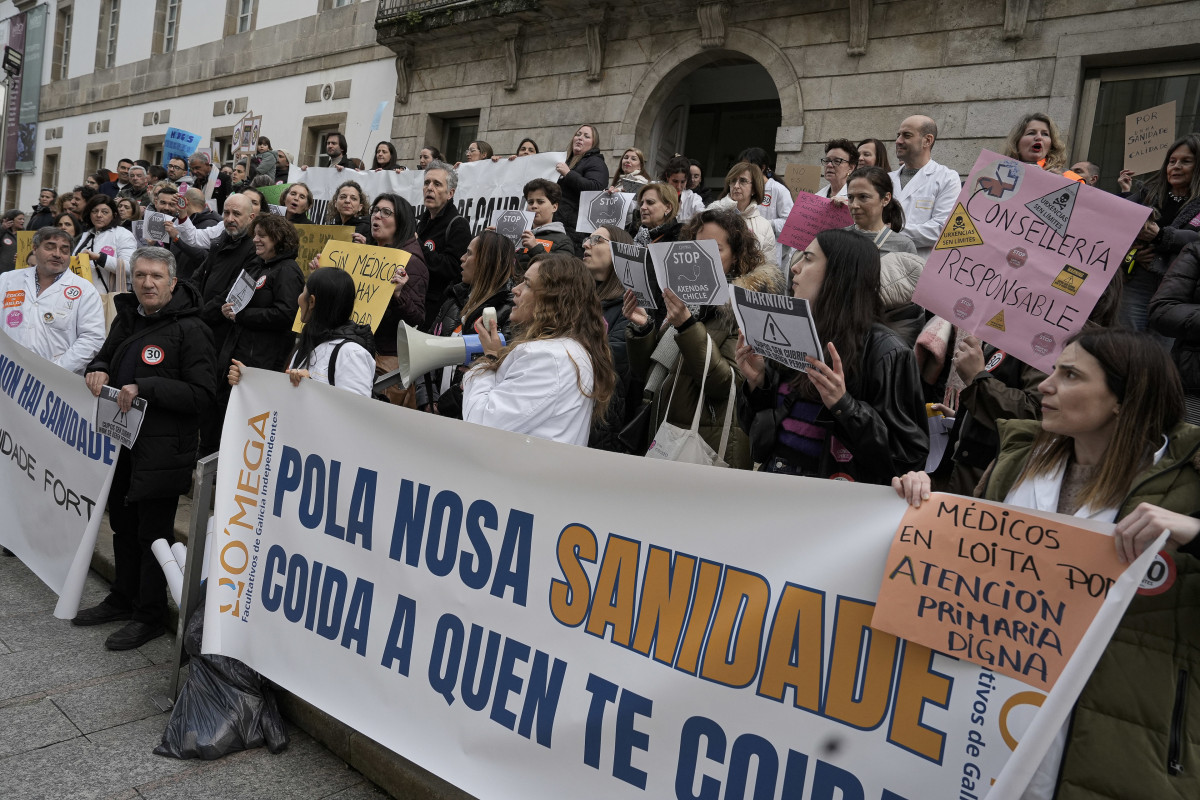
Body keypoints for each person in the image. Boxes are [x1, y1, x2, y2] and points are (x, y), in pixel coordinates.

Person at [893, 328, 1200, 800]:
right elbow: (966, 572)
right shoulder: (1018, 462)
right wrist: (921, 505)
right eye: (1054, 369)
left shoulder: (1186, 487)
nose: (1045, 385)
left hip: (1118, 747)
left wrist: (1196, 533)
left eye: (1070, 375)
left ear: (1124, 398)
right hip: (985, 730)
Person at [76, 246, 216, 651]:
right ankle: (123, 597)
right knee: (121, 524)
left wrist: (146, 389)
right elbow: (104, 356)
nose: (147, 283)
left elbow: (203, 394)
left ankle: (150, 614)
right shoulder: (128, 316)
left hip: (163, 450)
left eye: (156, 276)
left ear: (173, 281)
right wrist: (97, 368)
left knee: (152, 534)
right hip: (122, 442)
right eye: (140, 276)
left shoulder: (192, 330)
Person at [740, 228, 927, 482]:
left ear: (839, 274)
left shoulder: (887, 351)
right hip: (775, 477)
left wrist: (844, 406)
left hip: (833, 495)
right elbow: (753, 426)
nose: (794, 268)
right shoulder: (792, 330)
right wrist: (757, 383)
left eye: (808, 258)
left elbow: (907, 456)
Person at [625, 207, 784, 469]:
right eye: (698, 248)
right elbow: (649, 373)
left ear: (736, 255)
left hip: (709, 445)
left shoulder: (745, 307)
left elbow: (726, 385)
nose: (702, 258)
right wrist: (643, 329)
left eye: (715, 249)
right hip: (666, 437)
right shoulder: (687, 298)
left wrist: (687, 327)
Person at [464, 253, 615, 446]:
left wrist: (487, 362)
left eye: (527, 284)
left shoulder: (546, 357)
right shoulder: (572, 350)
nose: (515, 290)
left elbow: (480, 422)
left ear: (553, 300)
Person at [231, 268, 376, 396]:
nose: (299, 298)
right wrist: (248, 379)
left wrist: (312, 386)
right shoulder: (310, 343)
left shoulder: (352, 354)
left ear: (312, 302)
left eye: (303, 292)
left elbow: (357, 414)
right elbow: (287, 396)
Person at [421, 230, 516, 418]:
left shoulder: (510, 313)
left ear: (487, 261)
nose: (462, 259)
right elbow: (425, 351)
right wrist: (427, 400)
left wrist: (446, 406)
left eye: (469, 253)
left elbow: (497, 372)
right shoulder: (452, 301)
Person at [353, 193, 429, 406]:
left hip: (385, 361)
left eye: (386, 212)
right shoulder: (376, 253)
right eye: (375, 211)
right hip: (366, 353)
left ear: (401, 222)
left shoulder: (411, 262)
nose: (377, 216)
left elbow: (417, 318)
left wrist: (398, 295)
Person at [214, 213, 304, 389]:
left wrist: (242, 315)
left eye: (262, 235)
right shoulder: (259, 266)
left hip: (263, 359)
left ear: (278, 238)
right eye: (254, 235)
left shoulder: (288, 271)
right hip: (241, 351)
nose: (255, 240)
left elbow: (287, 314)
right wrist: (229, 309)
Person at [1121, 134, 1200, 334]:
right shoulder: (1148, 193)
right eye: (1172, 161)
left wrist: (1160, 236)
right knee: (1125, 345)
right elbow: (1116, 221)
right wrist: (1133, 255)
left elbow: (1195, 242)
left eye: (1186, 161)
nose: (1176, 166)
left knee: (1159, 355)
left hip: (1177, 291)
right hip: (1139, 283)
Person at [0, 226, 105, 373]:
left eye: (64, 250)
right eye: (50, 247)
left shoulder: (85, 290)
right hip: (6, 374)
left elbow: (92, 338)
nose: (57, 254)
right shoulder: (7, 280)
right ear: (35, 249)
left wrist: (54, 370)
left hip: (54, 384)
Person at [581, 224, 636, 451]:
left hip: (599, 423)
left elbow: (612, 359)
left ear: (619, 252)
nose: (586, 244)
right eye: (587, 239)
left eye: (597, 240)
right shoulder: (576, 299)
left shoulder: (633, 307)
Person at [890, 115, 962, 259]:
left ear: (927, 140)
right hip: (881, 264)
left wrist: (890, 232)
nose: (898, 141)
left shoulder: (947, 178)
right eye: (898, 135)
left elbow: (942, 228)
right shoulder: (887, 179)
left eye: (907, 135)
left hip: (919, 266)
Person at [417, 160, 472, 330]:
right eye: (427, 183)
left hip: (436, 312)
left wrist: (417, 245)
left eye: (437, 184)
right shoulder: (420, 222)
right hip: (415, 304)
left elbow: (453, 268)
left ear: (450, 193)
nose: (430, 188)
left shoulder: (457, 225)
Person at [708, 161, 778, 269]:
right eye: (733, 181)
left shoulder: (764, 226)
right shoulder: (713, 211)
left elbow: (768, 268)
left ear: (754, 188)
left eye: (743, 181)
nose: (736, 186)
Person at [739, 146, 795, 267]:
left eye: (749, 167)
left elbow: (790, 223)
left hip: (768, 253)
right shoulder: (743, 188)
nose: (744, 171)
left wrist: (762, 225)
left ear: (762, 167)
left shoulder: (778, 190)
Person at [554, 124, 609, 243]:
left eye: (586, 136)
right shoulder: (564, 161)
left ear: (593, 143)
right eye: (578, 134)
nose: (580, 138)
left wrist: (569, 174)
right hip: (556, 221)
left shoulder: (596, 162)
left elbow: (595, 188)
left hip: (573, 228)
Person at [75, 195, 138, 295]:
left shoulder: (123, 234)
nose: (99, 215)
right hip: (80, 294)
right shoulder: (85, 235)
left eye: (105, 212)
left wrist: (100, 258)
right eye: (94, 211)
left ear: (114, 214)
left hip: (107, 298)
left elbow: (130, 268)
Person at [516, 178, 575, 270]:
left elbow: (563, 272)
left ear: (554, 207)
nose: (534, 206)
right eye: (530, 202)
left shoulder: (563, 241)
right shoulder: (518, 234)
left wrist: (535, 248)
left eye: (540, 202)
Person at [662, 155, 704, 224]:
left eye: (683, 182)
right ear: (667, 176)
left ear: (687, 179)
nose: (678, 186)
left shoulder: (693, 198)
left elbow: (702, 215)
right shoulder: (656, 190)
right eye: (675, 181)